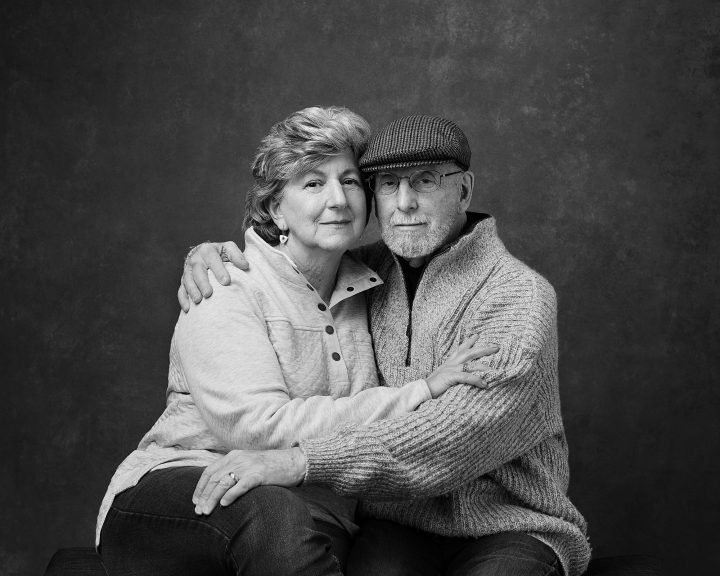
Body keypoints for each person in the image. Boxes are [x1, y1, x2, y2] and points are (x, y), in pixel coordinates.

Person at [181, 114, 592, 576]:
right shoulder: (361, 274)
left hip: (512, 524)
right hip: (396, 523)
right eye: (388, 183)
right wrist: (210, 255)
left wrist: (301, 461)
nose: (405, 203)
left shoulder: (518, 297)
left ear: (464, 190)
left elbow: (453, 441)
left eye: (425, 181)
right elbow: (286, 262)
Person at [96, 107, 496, 576]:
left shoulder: (374, 281)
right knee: (270, 512)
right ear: (272, 207)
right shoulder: (225, 284)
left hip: (318, 515)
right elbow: (257, 427)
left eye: (349, 181)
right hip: (189, 490)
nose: (338, 200)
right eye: (312, 183)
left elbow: (441, 241)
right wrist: (420, 392)